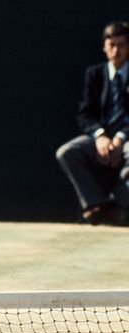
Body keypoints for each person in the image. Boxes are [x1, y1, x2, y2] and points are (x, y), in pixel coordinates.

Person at [56, 21, 129, 226]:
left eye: (121, 45)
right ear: (105, 47)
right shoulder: (94, 74)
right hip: (101, 139)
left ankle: (119, 200)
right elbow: (85, 114)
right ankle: (97, 205)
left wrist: (121, 138)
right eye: (111, 45)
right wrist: (100, 136)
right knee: (67, 152)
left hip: (126, 140)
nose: (116, 51)